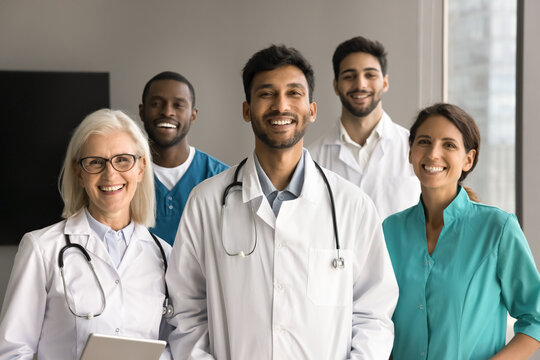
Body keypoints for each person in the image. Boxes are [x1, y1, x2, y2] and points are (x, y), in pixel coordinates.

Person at [166, 45, 398, 359]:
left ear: (312, 110)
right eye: (266, 94)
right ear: (247, 110)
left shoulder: (352, 206)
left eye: (293, 93)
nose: (281, 105)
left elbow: (373, 314)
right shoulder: (206, 202)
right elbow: (186, 310)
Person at [0, 109, 172, 359]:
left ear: (141, 167)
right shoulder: (42, 248)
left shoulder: (164, 255)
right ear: (79, 172)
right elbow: (12, 351)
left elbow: (171, 347)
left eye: (123, 159)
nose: (110, 174)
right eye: (95, 162)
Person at [383, 103, 540, 359]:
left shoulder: (497, 229)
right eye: (424, 141)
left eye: (449, 145)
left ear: (468, 159)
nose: (433, 153)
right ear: (410, 151)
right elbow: (375, 317)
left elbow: (536, 318)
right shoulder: (389, 230)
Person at [309, 36, 420, 219]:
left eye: (370, 75)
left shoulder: (413, 149)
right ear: (336, 85)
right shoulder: (312, 160)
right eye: (349, 76)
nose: (360, 84)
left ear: (384, 83)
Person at [139, 71, 229, 245]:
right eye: (157, 104)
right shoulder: (122, 175)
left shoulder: (221, 177)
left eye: (178, 105)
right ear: (142, 112)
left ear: (193, 115)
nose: (167, 112)